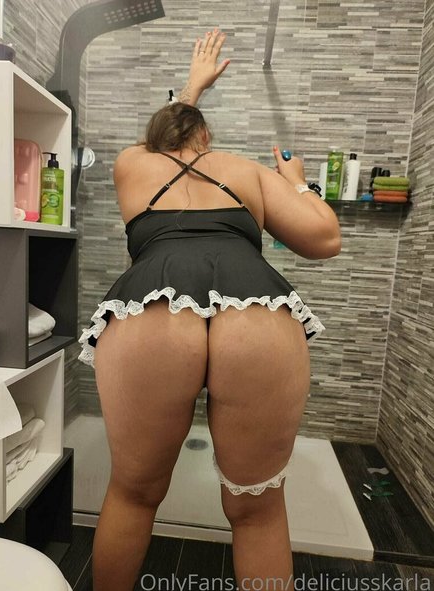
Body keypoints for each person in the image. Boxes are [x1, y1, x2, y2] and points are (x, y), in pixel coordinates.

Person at [78, 28, 341, 591]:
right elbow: (325, 239)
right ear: (208, 136)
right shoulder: (246, 172)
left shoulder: (131, 165)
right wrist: (297, 184)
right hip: (255, 310)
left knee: (132, 494)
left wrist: (193, 87)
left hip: (151, 306)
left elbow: (165, 133)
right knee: (258, 510)